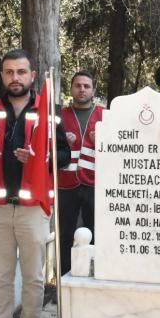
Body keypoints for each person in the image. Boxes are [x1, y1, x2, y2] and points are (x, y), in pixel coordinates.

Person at [0, 49, 70, 318]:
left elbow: (65, 155)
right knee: (0, 278)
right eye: (9, 72)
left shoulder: (50, 111)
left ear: (32, 76)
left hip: (33, 208)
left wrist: (40, 159)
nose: (15, 78)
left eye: (21, 72)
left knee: (33, 278)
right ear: (2, 76)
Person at [57, 70, 105, 275]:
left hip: (95, 183)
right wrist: (62, 141)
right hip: (65, 183)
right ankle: (65, 277)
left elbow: (119, 149)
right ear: (71, 89)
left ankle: (96, 274)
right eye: (78, 85)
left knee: (96, 232)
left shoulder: (105, 115)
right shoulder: (60, 116)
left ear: (93, 90)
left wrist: (101, 141)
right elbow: (48, 147)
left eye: (86, 86)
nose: (82, 89)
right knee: (65, 234)